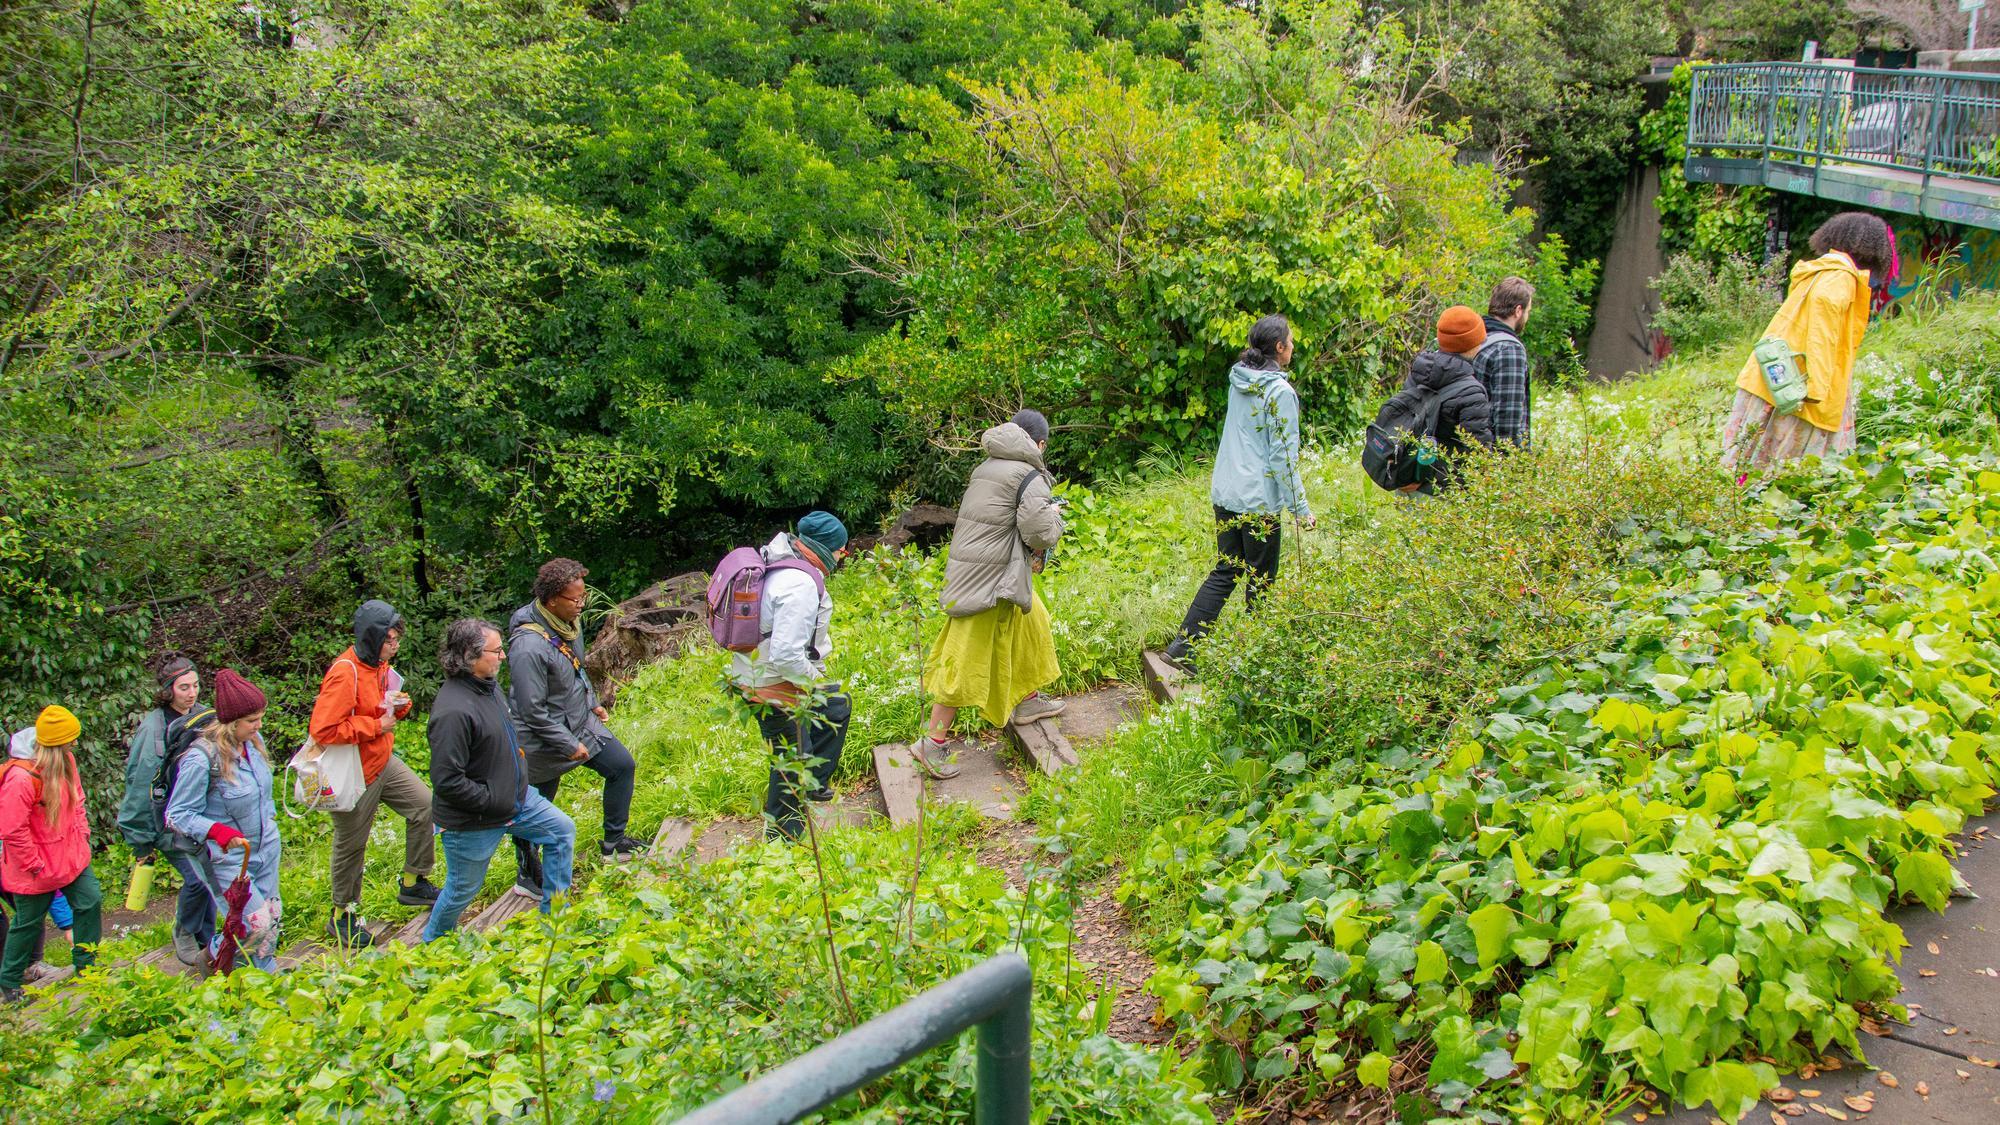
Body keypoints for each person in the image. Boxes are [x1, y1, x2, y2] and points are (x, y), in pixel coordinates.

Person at [913, 410, 1067, 776]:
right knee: (965, 657)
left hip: (981, 572)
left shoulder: (986, 467)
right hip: (990, 581)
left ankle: (1027, 700)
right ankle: (931, 742)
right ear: (1039, 443)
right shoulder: (1029, 475)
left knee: (1033, 620)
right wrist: (1056, 515)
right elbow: (1040, 532)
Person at [1162, 315, 1316, 671]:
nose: (1293, 345)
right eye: (1290, 340)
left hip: (1226, 493)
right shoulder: (1279, 391)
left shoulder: (1239, 380)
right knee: (1261, 582)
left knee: (1227, 570)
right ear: (1279, 347)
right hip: (1258, 501)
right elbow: (1282, 456)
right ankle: (1254, 665)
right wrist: (1300, 507)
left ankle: (1183, 648)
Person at [423, 619, 576, 941]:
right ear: (470, 656)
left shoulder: (486, 687)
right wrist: (494, 802)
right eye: (496, 651)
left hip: (518, 799)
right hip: (473, 819)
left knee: (561, 832)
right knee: (462, 890)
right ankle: (431, 947)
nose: (503, 656)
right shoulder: (452, 711)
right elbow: (447, 781)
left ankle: (555, 925)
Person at [509, 558, 645, 895]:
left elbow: (576, 667)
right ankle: (527, 874)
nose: (582, 605)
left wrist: (591, 700)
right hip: (542, 737)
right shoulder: (527, 647)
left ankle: (614, 842)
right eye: (576, 599)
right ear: (553, 599)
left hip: (579, 719)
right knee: (536, 804)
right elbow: (531, 710)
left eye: (583, 597)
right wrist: (567, 743)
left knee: (621, 766)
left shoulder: (569, 623)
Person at [308, 600, 438, 948]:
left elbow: (379, 704)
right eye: (390, 639)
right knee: (352, 846)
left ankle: (413, 883)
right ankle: (343, 915)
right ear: (372, 638)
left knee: (424, 805)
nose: (396, 645)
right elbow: (323, 729)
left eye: (397, 639)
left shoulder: (379, 665)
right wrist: (375, 724)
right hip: (353, 774)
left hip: (382, 761)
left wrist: (399, 705)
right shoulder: (344, 672)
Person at [1721, 212, 1893, 471]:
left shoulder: (1819, 270)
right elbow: (1823, 335)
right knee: (1792, 472)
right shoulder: (1841, 278)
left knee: (1747, 464)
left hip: (1773, 375)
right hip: (1801, 386)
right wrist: (1817, 390)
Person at [730, 512, 853, 841]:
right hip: (770, 683)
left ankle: (813, 785)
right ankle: (784, 838)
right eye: (842, 550)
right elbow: (786, 655)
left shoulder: (784, 559)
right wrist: (814, 679)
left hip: (761, 671)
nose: (843, 557)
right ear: (824, 548)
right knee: (791, 757)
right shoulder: (798, 585)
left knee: (836, 706)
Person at [166, 671, 282, 973]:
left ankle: (264, 975)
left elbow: (262, 794)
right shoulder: (201, 758)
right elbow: (177, 814)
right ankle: (215, 957)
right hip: (229, 857)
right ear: (231, 721)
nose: (259, 726)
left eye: (260, 718)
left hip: (265, 847)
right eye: (252, 720)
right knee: (255, 923)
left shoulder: (253, 744)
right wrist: (216, 830)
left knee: (272, 918)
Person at [116, 656, 218, 965]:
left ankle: (207, 941)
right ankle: (184, 931)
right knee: (198, 878)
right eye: (184, 687)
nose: (192, 693)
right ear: (168, 690)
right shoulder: (153, 728)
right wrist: (141, 841)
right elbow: (139, 784)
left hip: (202, 815)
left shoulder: (205, 716)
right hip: (166, 821)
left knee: (212, 878)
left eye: (196, 685)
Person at [0, 706, 103, 1004]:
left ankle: (87, 966)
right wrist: (34, 864)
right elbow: (12, 830)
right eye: (70, 740)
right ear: (56, 744)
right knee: (28, 922)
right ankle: (9, 981)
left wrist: (82, 835)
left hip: (71, 856)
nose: (75, 745)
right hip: (34, 866)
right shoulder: (21, 779)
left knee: (90, 900)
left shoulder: (67, 761)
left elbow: (78, 801)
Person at [1385, 306, 1498, 495]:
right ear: (1473, 342)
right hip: (1441, 494)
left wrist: (1410, 475)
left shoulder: (1419, 372)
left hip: (1407, 481)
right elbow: (1476, 452)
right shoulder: (1472, 391)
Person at [1473, 277, 1535, 449]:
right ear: (1518, 311)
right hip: (1489, 463)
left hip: (1464, 452)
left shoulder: (1473, 338)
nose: (1527, 317)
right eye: (1528, 311)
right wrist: (1513, 467)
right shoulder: (1508, 349)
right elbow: (1508, 421)